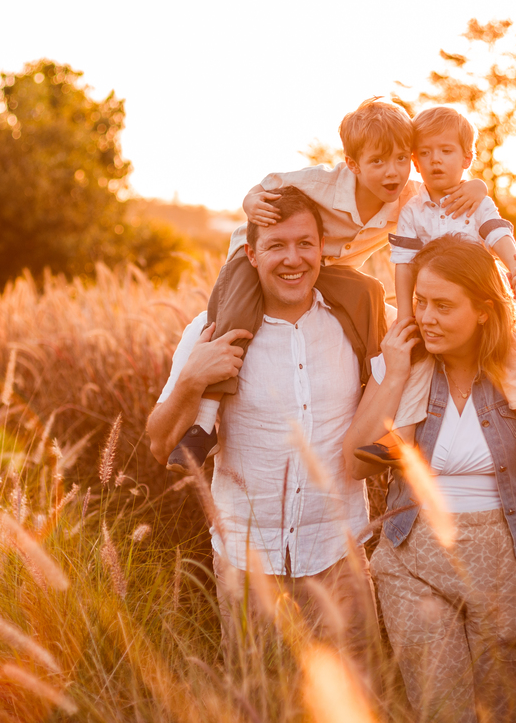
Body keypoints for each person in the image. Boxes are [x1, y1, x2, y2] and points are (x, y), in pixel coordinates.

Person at [342, 235, 516, 722]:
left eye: (443, 305)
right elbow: (356, 463)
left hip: (512, 563)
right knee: (443, 710)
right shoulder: (404, 363)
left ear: (483, 310)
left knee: (506, 711)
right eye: (420, 302)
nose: (427, 317)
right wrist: (394, 374)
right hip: (414, 561)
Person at [170, 98, 489, 468]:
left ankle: (375, 389)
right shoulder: (321, 182)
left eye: (402, 158)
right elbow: (264, 186)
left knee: (369, 291)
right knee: (237, 311)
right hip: (264, 258)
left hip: (323, 271)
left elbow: (453, 194)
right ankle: (205, 424)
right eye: (378, 162)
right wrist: (250, 202)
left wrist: (478, 186)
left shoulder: (411, 198)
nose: (393, 172)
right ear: (352, 164)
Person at [146, 187, 386, 667]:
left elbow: (439, 331)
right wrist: (193, 378)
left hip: (340, 560)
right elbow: (158, 444)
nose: (293, 259)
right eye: (277, 245)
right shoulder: (208, 330)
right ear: (250, 255)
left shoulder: (356, 322)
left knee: (362, 703)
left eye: (304, 243)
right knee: (262, 703)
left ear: (323, 249)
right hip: (247, 566)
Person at [356, 106, 516, 469]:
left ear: (467, 157)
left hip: (483, 301)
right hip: (435, 308)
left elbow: (496, 232)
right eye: (424, 154)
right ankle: (404, 437)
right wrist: (408, 314)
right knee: (418, 365)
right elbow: (403, 261)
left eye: (445, 151)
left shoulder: (476, 200)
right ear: (415, 161)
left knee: (510, 357)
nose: (435, 161)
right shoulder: (412, 210)